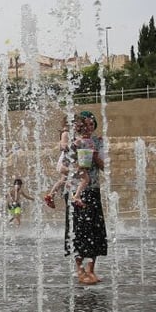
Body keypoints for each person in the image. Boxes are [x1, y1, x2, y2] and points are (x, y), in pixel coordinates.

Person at [63, 110, 107, 285]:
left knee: (95, 230)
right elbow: (61, 167)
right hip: (76, 192)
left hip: (93, 189)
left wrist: (95, 156)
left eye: (91, 124)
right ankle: (80, 270)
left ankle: (91, 269)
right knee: (78, 231)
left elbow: (105, 166)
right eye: (85, 124)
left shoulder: (99, 142)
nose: (88, 128)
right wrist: (77, 168)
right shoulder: (73, 144)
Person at [43, 125, 91, 209]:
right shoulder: (66, 133)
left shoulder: (72, 134)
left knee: (64, 179)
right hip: (66, 162)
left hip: (69, 161)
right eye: (76, 124)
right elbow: (63, 147)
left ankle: (51, 195)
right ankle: (76, 196)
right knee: (85, 178)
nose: (78, 126)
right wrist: (75, 144)